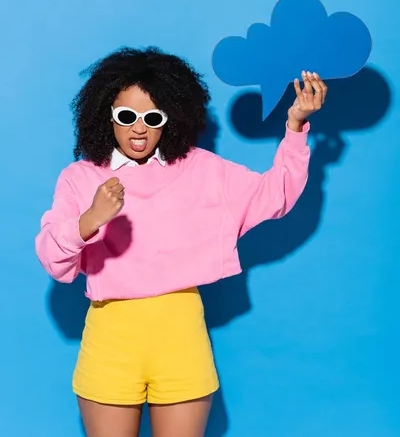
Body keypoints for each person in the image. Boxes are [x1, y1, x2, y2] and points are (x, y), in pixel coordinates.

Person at [35, 47, 327, 437]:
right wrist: (89, 220)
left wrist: (295, 127)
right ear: (106, 115)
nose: (139, 128)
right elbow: (54, 260)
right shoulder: (80, 177)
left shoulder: (201, 168)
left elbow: (275, 196)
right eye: (126, 116)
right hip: (110, 336)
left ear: (169, 119)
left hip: (181, 334)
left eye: (152, 117)